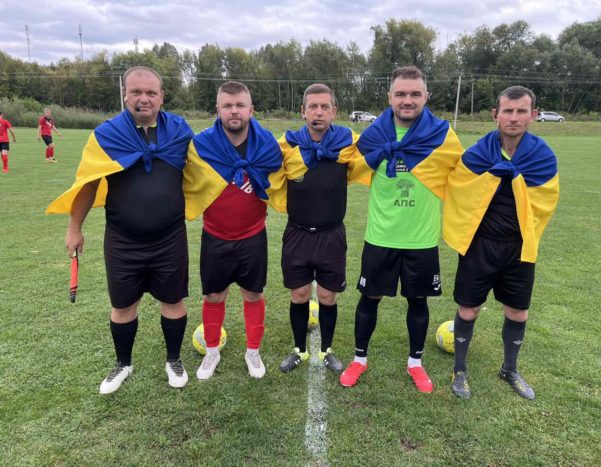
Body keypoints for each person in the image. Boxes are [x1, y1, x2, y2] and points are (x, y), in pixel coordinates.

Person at [47, 66, 195, 394]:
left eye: (151, 92)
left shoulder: (180, 131)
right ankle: (123, 364)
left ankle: (173, 360)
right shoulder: (107, 135)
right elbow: (87, 184)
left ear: (161, 97)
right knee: (123, 306)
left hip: (170, 237)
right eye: (136, 91)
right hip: (123, 240)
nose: (144, 98)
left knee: (173, 301)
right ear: (125, 94)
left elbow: (202, 168)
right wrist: (74, 228)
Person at [339, 66, 464, 391]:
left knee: (418, 301)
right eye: (401, 94)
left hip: (421, 239)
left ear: (426, 97)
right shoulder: (372, 137)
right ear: (389, 97)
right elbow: (347, 169)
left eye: (415, 94)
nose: (407, 100)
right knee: (370, 297)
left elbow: (466, 173)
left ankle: (415, 363)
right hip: (380, 236)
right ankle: (359, 359)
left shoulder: (443, 137)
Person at [443, 86, 560, 399]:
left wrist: (514, 176)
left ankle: (509, 369)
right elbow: (459, 188)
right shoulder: (478, 154)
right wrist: (491, 177)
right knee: (469, 309)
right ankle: (459, 370)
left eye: (522, 111)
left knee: (518, 312)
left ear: (534, 115)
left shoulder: (542, 157)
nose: (514, 117)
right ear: (496, 114)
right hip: (480, 245)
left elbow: (546, 201)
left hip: (518, 248)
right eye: (508, 111)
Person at [183, 81, 282, 380]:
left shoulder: (267, 145)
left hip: (253, 235)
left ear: (251, 109)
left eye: (240, 105)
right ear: (218, 109)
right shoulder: (201, 145)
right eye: (227, 105)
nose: (234, 111)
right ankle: (211, 351)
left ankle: (253, 351)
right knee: (214, 296)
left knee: (253, 294)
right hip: (215, 236)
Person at [271, 83, 368, 374]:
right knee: (299, 295)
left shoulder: (348, 142)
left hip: (331, 235)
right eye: (313, 106)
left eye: (325, 106)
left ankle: (326, 350)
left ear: (334, 111)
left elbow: (375, 149)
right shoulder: (287, 145)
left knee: (327, 296)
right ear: (303, 112)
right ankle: (299, 350)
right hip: (297, 233)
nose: (319, 112)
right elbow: (263, 163)